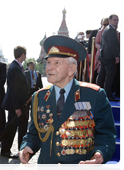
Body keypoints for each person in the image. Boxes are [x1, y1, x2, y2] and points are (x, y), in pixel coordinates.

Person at [19, 35, 116, 170]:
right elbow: (34, 132)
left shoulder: (95, 95)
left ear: (72, 69)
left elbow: (106, 135)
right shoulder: (39, 97)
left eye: (56, 63)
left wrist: (100, 152)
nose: (49, 68)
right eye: (48, 62)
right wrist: (27, 146)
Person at [1, 46, 29, 158]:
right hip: (15, 106)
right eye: (25, 54)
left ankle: (21, 150)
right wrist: (17, 107)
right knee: (11, 129)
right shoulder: (15, 68)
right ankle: (5, 151)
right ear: (22, 54)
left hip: (20, 105)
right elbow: (14, 90)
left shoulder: (17, 66)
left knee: (22, 127)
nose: (26, 56)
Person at [97, 14, 120, 101]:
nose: (116, 21)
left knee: (102, 75)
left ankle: (98, 93)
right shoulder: (111, 30)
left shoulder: (105, 29)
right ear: (110, 20)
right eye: (114, 20)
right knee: (109, 76)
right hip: (109, 57)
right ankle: (108, 95)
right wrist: (116, 56)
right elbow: (112, 45)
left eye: (117, 20)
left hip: (103, 56)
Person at [94, 17, 109, 83]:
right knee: (101, 73)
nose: (106, 26)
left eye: (107, 24)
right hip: (101, 55)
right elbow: (96, 43)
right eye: (104, 24)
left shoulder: (113, 32)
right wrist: (101, 48)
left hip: (110, 56)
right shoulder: (100, 32)